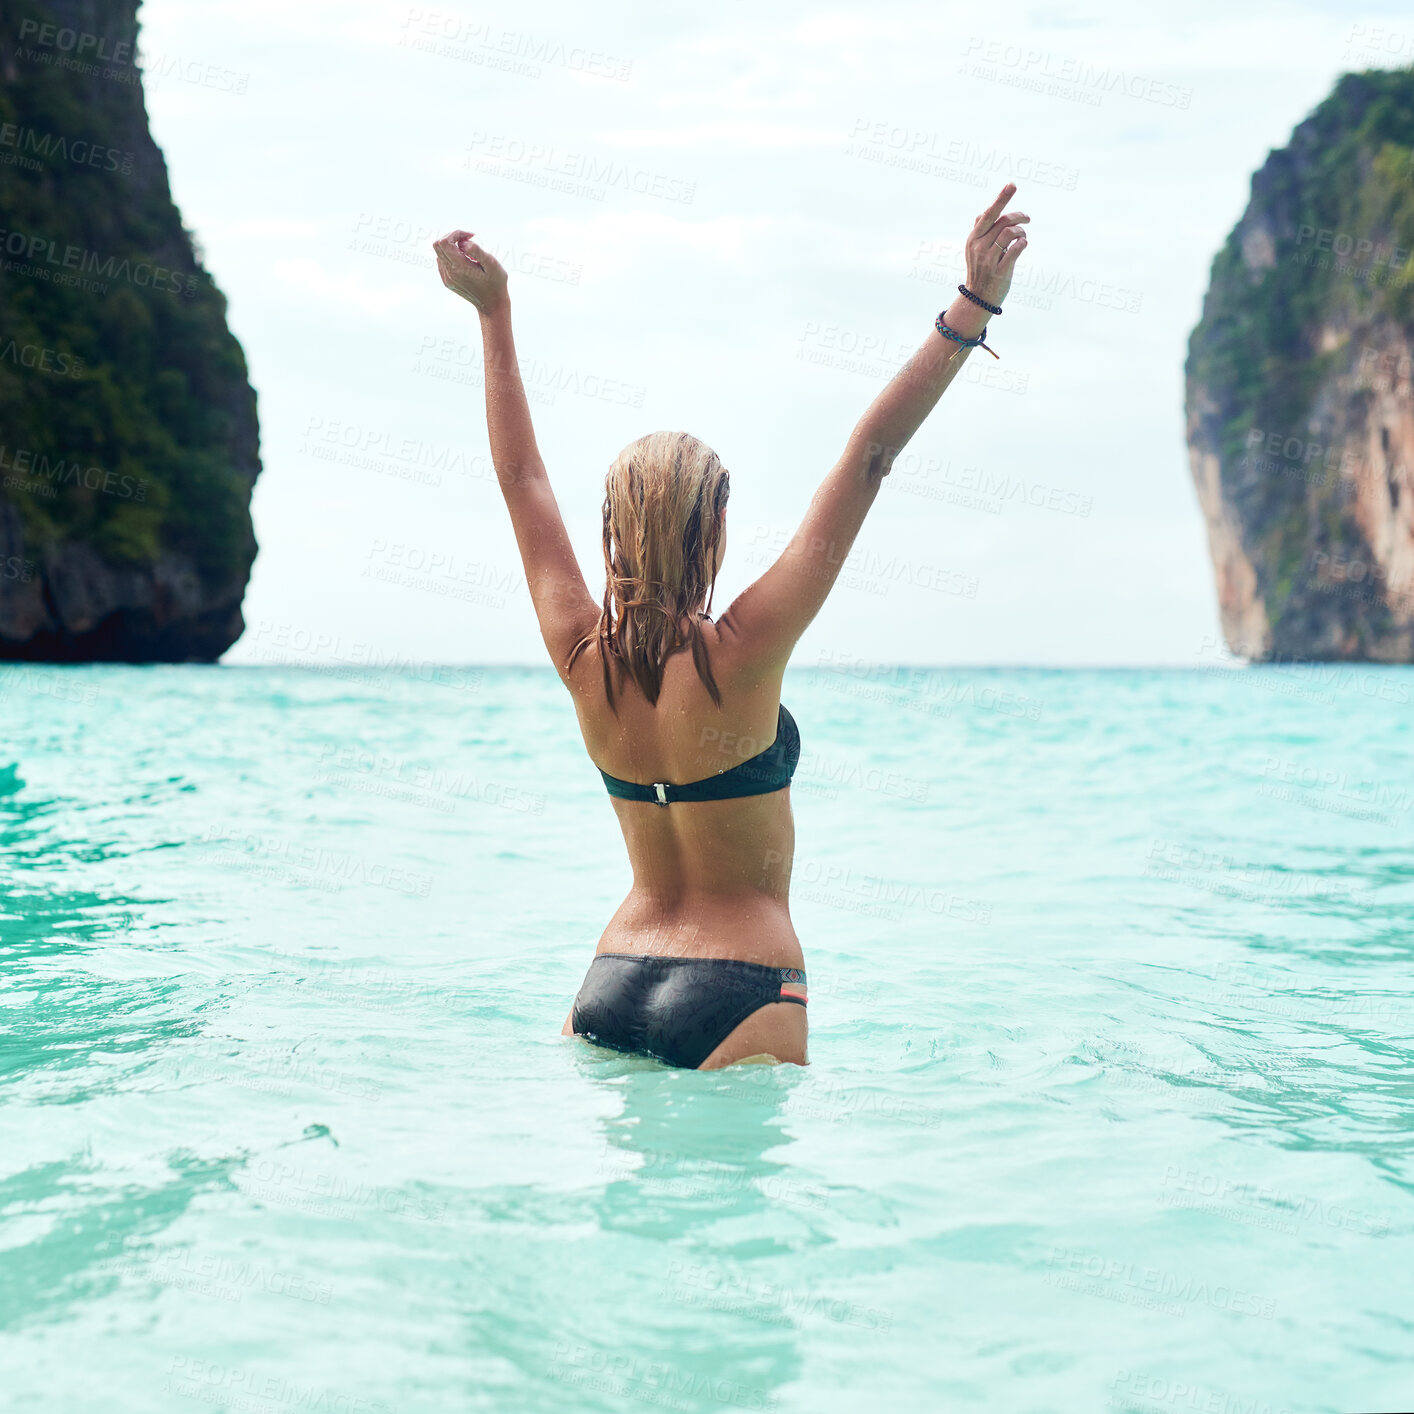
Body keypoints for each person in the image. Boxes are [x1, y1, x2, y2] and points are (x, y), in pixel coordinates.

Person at [432, 183, 1029, 1070]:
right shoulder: (745, 652)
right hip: (741, 984)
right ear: (711, 529)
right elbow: (870, 457)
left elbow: (520, 479)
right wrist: (974, 304)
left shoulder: (579, 655)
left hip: (610, 976)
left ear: (610, 530)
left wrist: (493, 314)